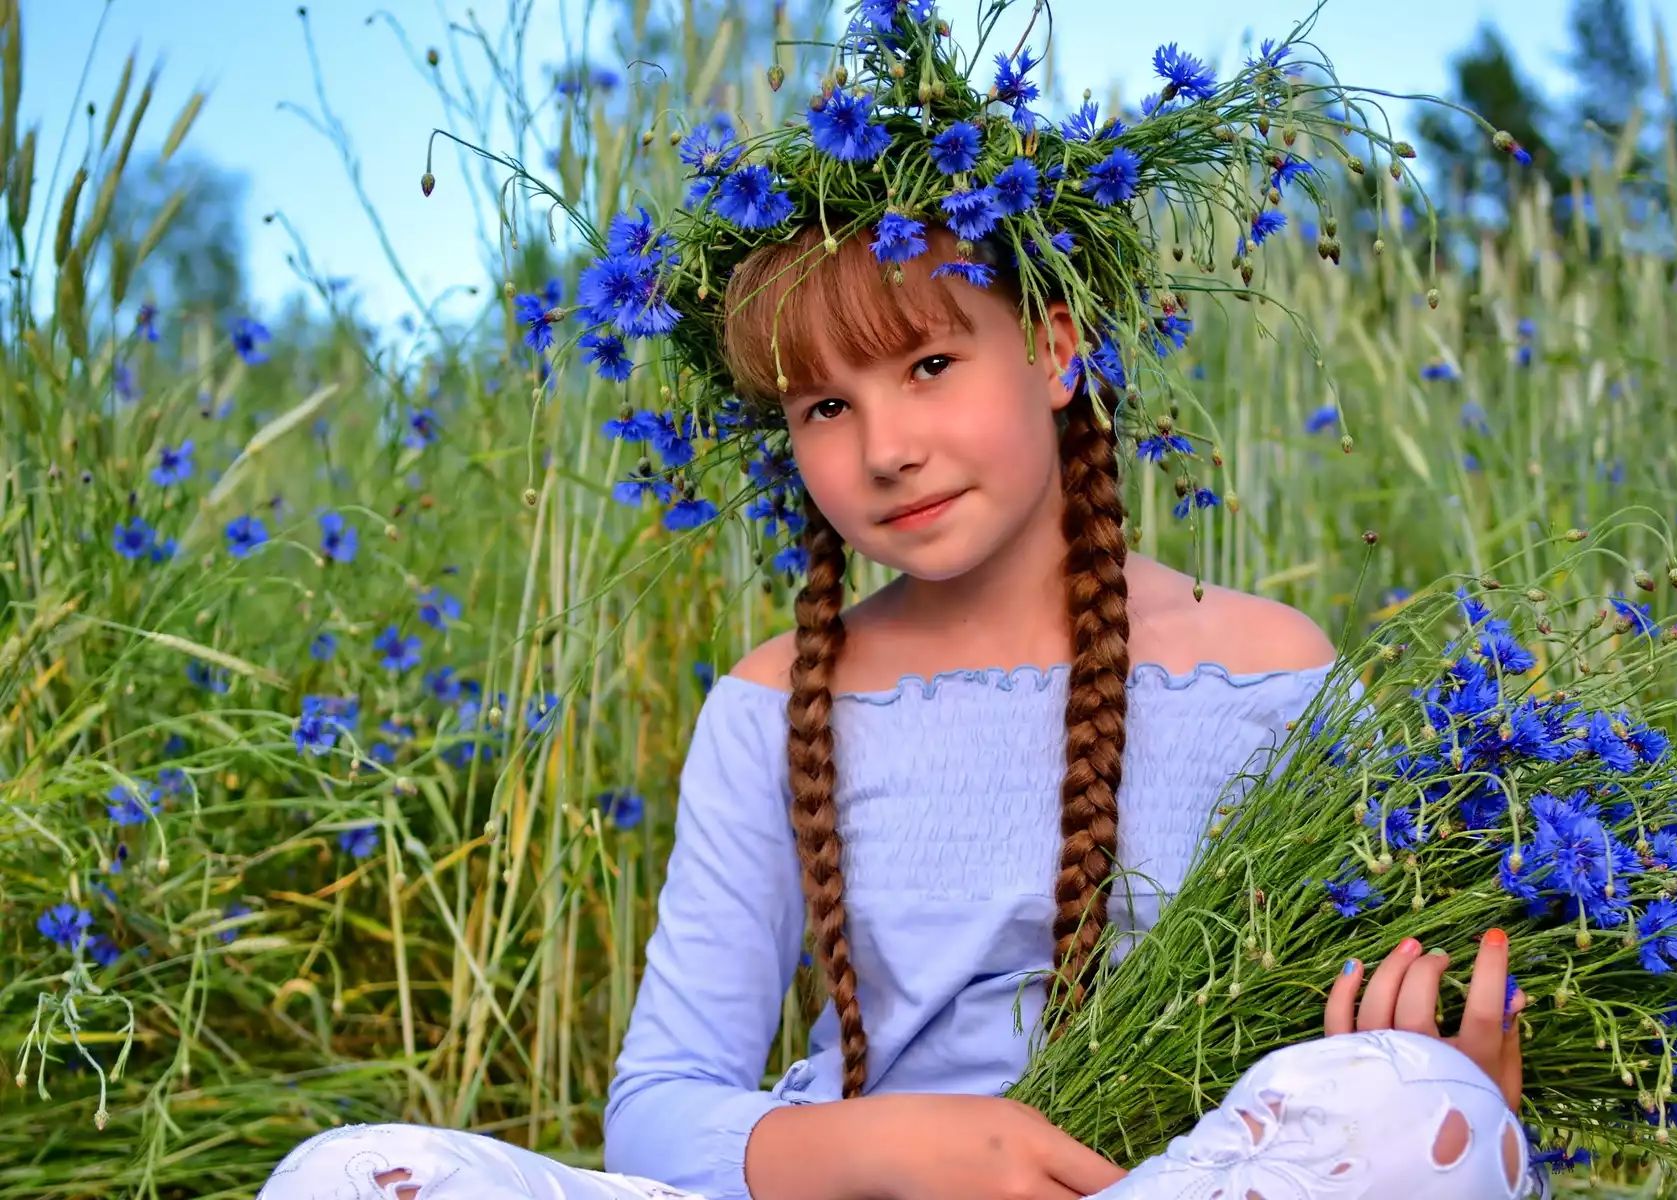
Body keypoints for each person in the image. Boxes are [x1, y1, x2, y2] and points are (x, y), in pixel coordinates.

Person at [258, 7, 1553, 1199]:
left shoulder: (1271, 671)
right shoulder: (771, 705)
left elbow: (1372, 1056)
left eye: (931, 363)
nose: (885, 446)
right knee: (347, 1178)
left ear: (1053, 348)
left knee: (1409, 1113)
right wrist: (916, 1145)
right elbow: (656, 1118)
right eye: (827, 405)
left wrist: (1454, 1081)